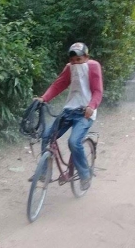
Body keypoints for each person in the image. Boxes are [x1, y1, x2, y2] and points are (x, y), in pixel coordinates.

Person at [30, 42, 103, 190]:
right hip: (69, 110)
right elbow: (59, 85)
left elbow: (98, 91)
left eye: (78, 59)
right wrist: (43, 98)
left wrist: (91, 106)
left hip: (85, 113)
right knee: (46, 136)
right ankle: (44, 173)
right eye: (72, 60)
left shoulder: (93, 66)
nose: (75, 62)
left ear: (86, 57)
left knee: (74, 141)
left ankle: (84, 175)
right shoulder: (69, 68)